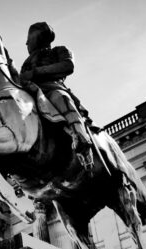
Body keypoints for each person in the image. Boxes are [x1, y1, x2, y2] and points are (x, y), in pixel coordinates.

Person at [19, 22, 94, 172]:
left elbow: (68, 66)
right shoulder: (26, 63)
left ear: (40, 37)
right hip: (31, 92)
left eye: (29, 38)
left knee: (60, 97)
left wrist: (36, 72)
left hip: (52, 88)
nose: (26, 43)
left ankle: (81, 137)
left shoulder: (59, 51)